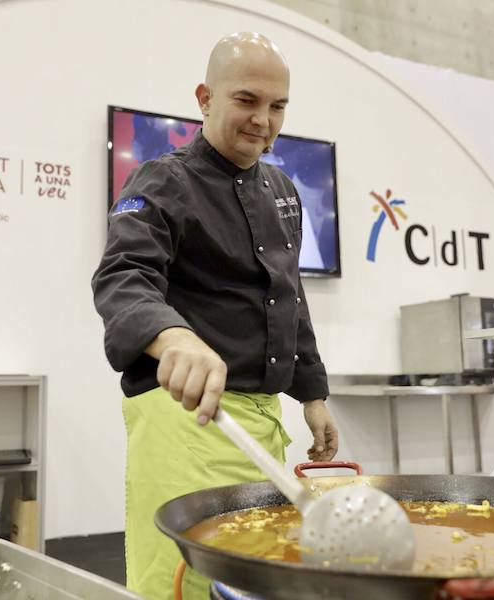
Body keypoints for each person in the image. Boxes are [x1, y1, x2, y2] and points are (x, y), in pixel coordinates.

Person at [92, 32, 339, 600]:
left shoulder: (282, 190)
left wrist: (313, 395)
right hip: (190, 419)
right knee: (183, 578)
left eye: (278, 107)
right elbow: (123, 274)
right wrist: (172, 335)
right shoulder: (161, 181)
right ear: (205, 98)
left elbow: (288, 298)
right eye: (247, 101)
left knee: (253, 576)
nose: (264, 121)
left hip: (263, 422)